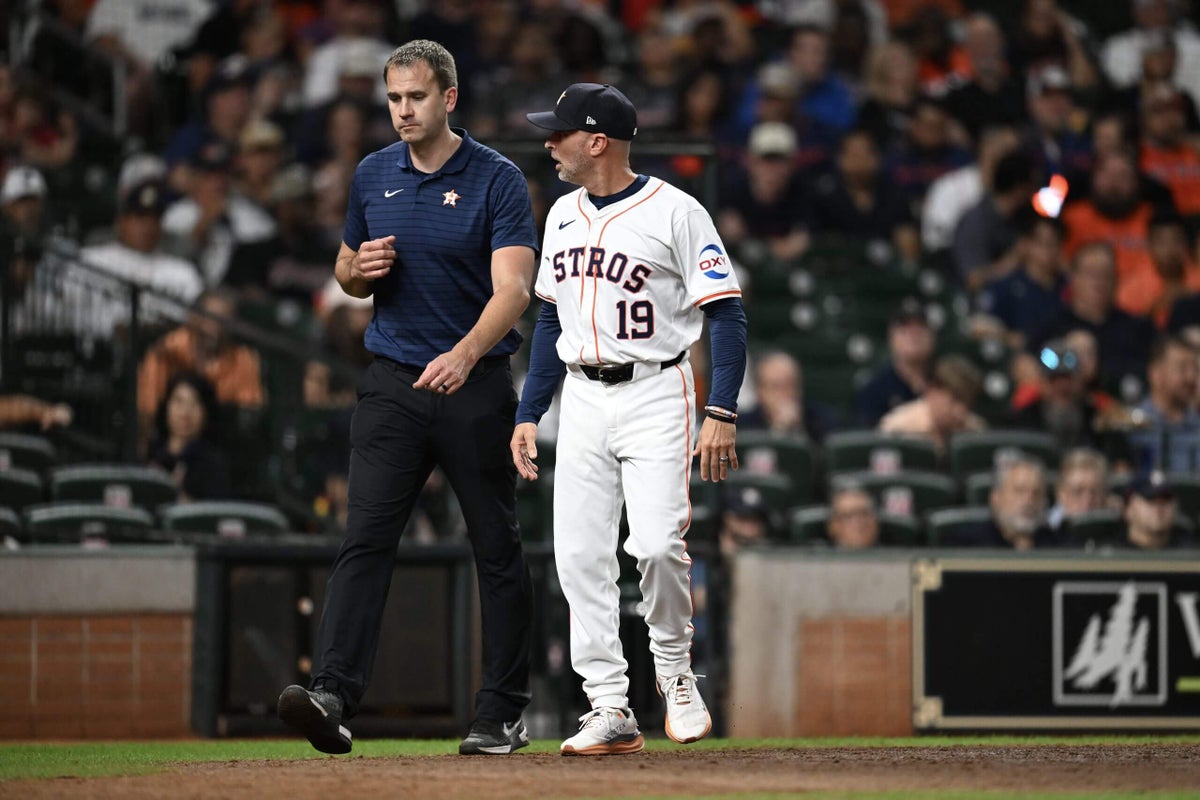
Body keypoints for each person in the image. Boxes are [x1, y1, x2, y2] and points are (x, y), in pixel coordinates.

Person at [275, 40, 537, 759]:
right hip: (392, 380)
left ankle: (501, 712)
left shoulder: (496, 178)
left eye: (415, 97)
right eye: (393, 98)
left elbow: (515, 288)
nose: (402, 111)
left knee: (495, 546)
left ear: (448, 98)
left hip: (473, 383)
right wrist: (357, 271)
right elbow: (346, 269)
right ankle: (332, 696)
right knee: (364, 538)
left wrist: (465, 353)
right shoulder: (372, 173)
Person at [513, 83, 747, 755]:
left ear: (597, 142)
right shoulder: (561, 213)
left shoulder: (677, 211)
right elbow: (551, 319)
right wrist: (530, 411)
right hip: (582, 396)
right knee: (579, 555)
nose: (549, 144)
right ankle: (609, 704)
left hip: (655, 389)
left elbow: (727, 314)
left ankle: (675, 672)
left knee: (655, 545)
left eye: (559, 133)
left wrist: (721, 409)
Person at [146, 371, 233, 501]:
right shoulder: (151, 453)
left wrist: (177, 494)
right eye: (178, 401)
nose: (185, 412)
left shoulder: (214, 464)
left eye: (194, 403)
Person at [878, 353, 985, 455]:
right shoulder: (897, 430)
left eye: (968, 403)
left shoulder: (976, 431)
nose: (961, 411)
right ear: (932, 392)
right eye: (955, 400)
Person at [943, 455, 1057, 548]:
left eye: (1037, 493)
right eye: (1019, 491)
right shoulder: (965, 543)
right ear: (996, 497)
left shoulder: (1057, 544)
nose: (1029, 500)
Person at [855, 298, 935, 426]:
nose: (913, 333)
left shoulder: (947, 383)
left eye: (921, 325)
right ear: (891, 337)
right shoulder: (875, 391)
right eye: (904, 326)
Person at [738, 350, 839, 444]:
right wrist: (779, 431)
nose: (785, 393)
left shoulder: (824, 421)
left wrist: (798, 429)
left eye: (791, 385)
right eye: (776, 387)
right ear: (760, 392)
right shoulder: (743, 427)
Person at [1122, 470, 1194, 548]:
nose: (1158, 508)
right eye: (1150, 500)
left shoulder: (1191, 549)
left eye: (1165, 500)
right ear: (1128, 509)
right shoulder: (1113, 550)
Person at [1048, 447, 1111, 532]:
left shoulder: (1115, 530)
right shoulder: (1044, 533)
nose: (1087, 500)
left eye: (1095, 492)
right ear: (1061, 493)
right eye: (1078, 491)